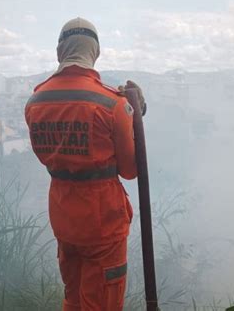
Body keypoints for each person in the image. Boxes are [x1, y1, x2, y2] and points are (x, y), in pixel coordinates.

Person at [24, 17, 146, 311]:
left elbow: (45, 156)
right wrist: (135, 116)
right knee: (102, 301)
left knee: (74, 297)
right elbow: (130, 170)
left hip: (64, 218)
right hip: (103, 223)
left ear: (59, 52)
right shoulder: (112, 104)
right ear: (96, 52)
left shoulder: (34, 103)